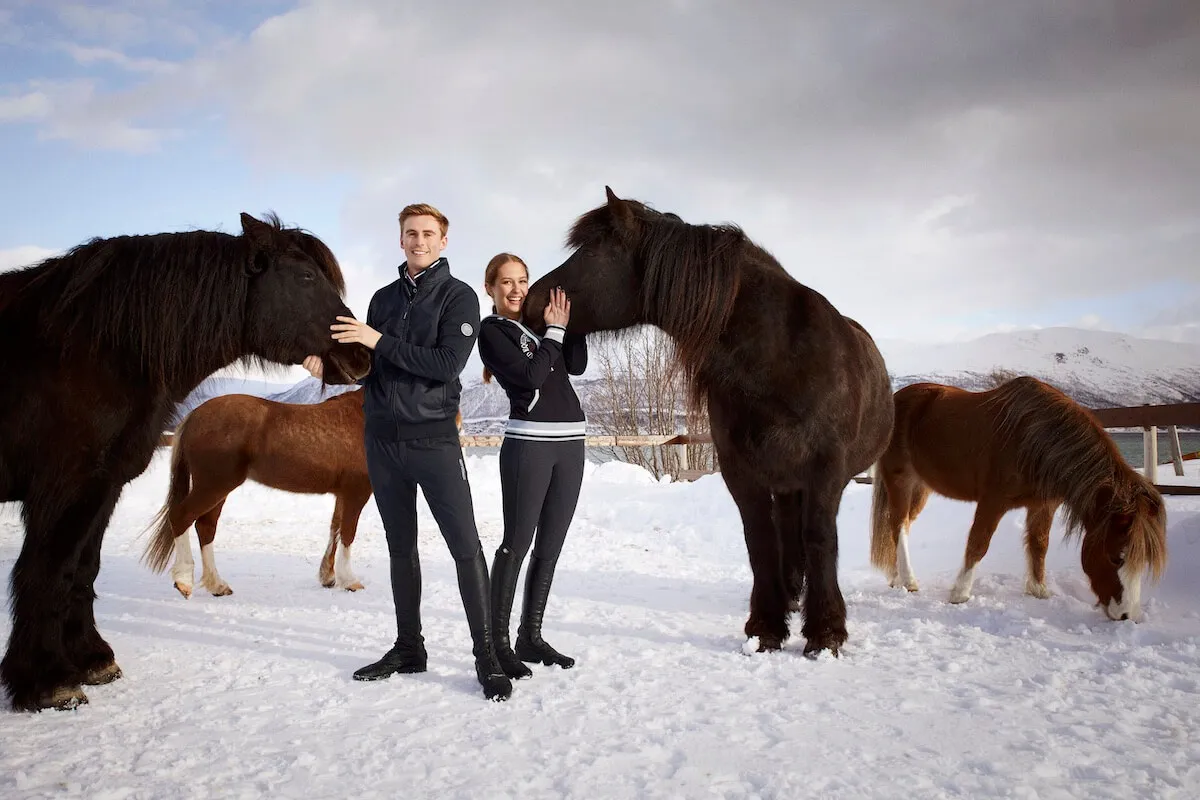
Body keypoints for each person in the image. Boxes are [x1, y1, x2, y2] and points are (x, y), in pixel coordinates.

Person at [304, 205, 511, 701]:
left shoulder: (460, 298)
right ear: (400, 241)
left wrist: (377, 338)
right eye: (410, 233)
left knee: (465, 548)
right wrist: (327, 370)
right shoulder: (382, 299)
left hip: (433, 440)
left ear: (442, 241)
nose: (418, 241)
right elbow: (370, 368)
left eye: (427, 234)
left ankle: (486, 657)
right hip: (381, 440)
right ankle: (409, 647)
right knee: (401, 549)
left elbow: (443, 365)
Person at [476, 253, 587, 679]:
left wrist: (575, 323)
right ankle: (499, 644)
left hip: (571, 444)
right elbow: (530, 378)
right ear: (491, 288)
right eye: (507, 282)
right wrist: (555, 332)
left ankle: (531, 637)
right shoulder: (492, 332)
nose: (517, 290)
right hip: (529, 446)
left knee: (550, 548)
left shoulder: (541, 327)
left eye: (522, 281)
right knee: (516, 544)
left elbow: (574, 364)